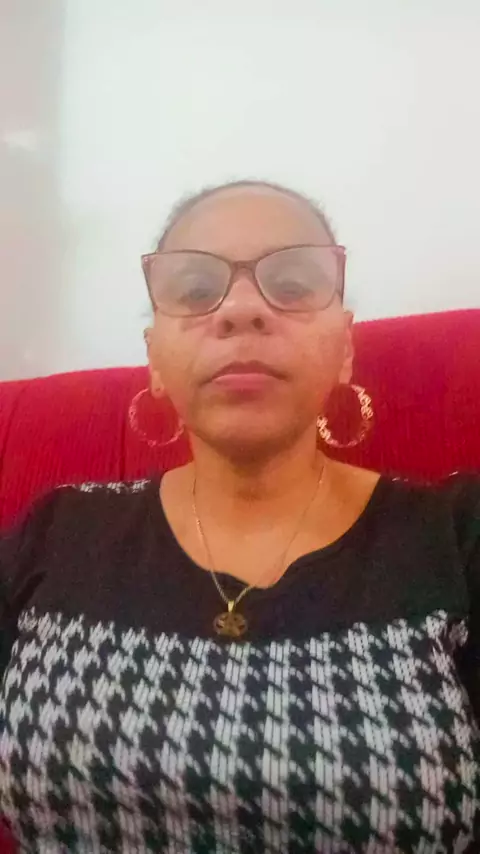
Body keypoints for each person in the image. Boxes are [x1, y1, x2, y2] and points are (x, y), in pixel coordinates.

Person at [0, 179, 479, 854]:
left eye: (292, 284)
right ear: (154, 359)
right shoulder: (58, 532)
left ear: (344, 349)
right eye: (197, 290)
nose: (242, 309)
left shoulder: (453, 537)